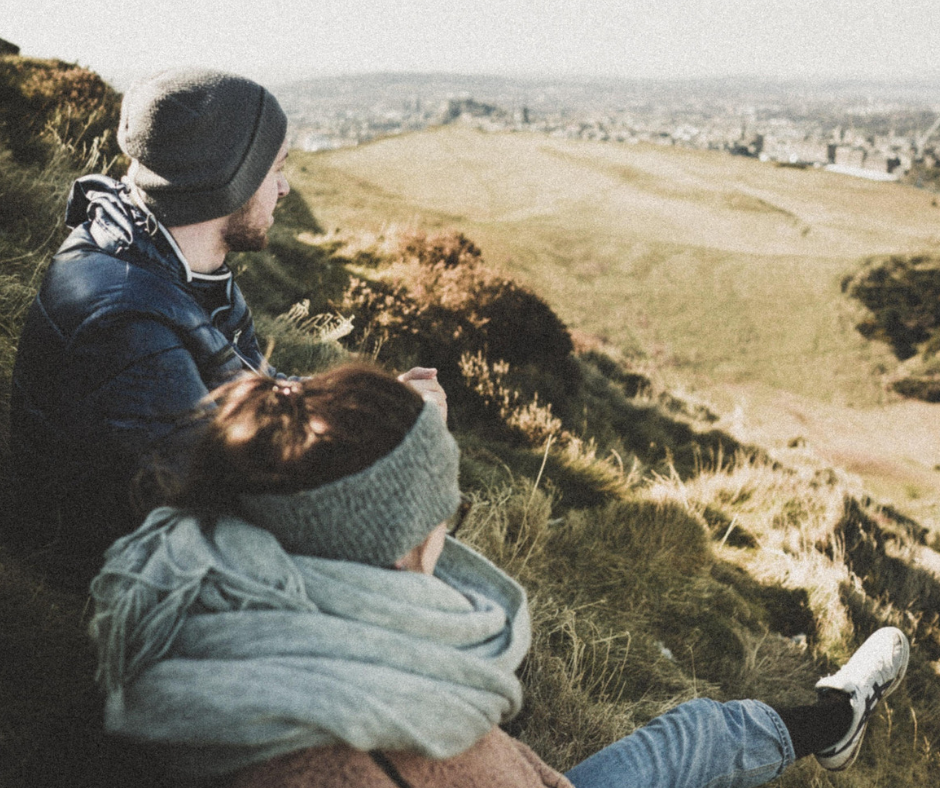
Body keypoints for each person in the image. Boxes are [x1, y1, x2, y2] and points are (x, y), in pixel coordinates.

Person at [87, 362, 910, 788]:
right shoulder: (321, 763)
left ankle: (828, 721)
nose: (449, 526)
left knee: (698, 729)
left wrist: (404, 439)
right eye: (437, 509)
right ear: (396, 540)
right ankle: (832, 720)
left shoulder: (222, 580)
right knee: (689, 740)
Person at [8, 68, 444, 584]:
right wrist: (403, 454)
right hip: (103, 574)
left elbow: (242, 386)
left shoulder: (173, 262)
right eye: (275, 169)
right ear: (226, 179)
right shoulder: (126, 326)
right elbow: (210, 503)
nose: (283, 189)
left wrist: (370, 415)